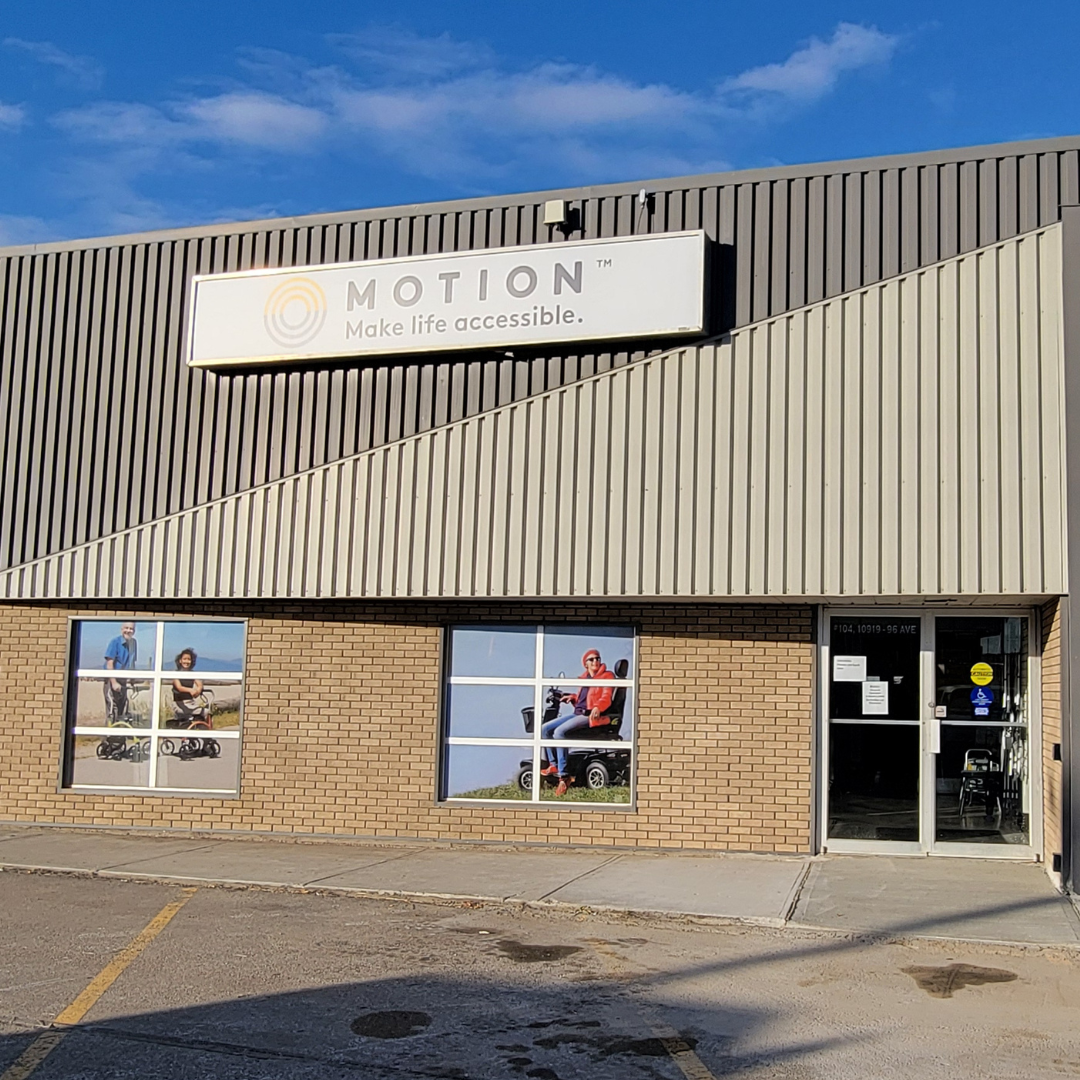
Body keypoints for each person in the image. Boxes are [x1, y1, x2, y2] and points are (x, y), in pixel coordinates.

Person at [540, 649, 616, 796]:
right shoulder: (584, 678)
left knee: (559, 732)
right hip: (578, 713)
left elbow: (606, 696)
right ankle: (554, 765)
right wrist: (573, 697)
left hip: (590, 716)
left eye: (597, 659)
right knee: (544, 729)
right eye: (592, 659)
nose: (596, 662)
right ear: (585, 664)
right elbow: (585, 699)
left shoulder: (607, 676)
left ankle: (564, 776)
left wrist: (598, 707)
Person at [103, 622, 137, 721]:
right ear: (122, 629)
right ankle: (109, 734)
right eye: (126, 628)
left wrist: (132, 680)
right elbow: (110, 663)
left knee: (123, 708)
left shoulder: (133, 643)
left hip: (123, 679)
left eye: (131, 629)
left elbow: (132, 662)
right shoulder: (115, 642)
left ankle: (120, 734)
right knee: (112, 709)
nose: (128, 631)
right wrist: (113, 682)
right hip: (111, 679)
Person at [170, 649, 207, 728]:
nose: (186, 661)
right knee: (205, 712)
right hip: (180, 704)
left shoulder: (192, 673)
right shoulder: (176, 673)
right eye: (184, 659)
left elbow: (199, 684)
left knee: (203, 715)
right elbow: (179, 687)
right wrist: (190, 690)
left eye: (189, 659)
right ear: (180, 660)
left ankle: (204, 734)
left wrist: (198, 690)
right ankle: (206, 735)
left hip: (191, 703)